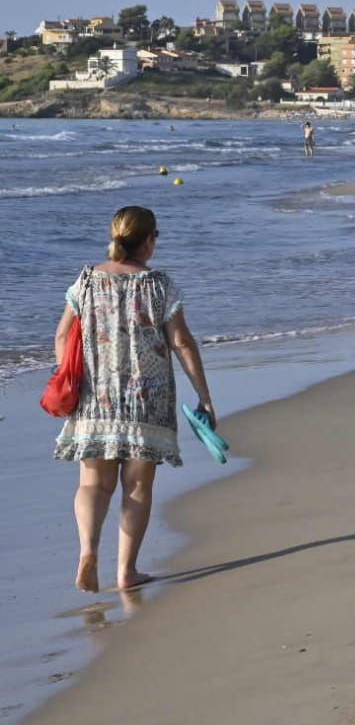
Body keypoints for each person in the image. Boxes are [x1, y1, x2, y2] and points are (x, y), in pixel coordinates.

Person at [54, 207, 214, 592]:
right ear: (148, 241)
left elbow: (61, 337)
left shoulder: (87, 281)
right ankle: (126, 572)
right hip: (149, 398)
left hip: (97, 397)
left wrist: (68, 379)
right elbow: (181, 342)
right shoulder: (160, 286)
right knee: (137, 487)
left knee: (94, 483)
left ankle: (87, 552)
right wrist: (204, 397)